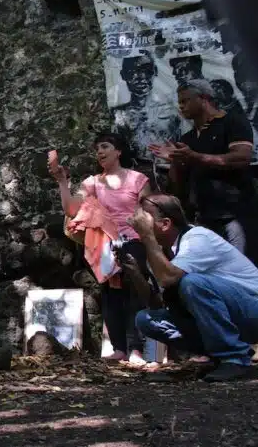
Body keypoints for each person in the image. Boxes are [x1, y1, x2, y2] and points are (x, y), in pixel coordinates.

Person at [130, 194, 258, 381]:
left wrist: (147, 236)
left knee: (193, 282)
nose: (137, 223)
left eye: (144, 218)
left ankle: (234, 359)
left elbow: (168, 278)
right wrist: (134, 273)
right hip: (234, 317)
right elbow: (157, 304)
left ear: (165, 223)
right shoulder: (159, 253)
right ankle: (219, 358)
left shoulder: (198, 238)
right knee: (146, 319)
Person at [49, 133, 154, 366]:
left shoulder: (138, 179)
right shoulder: (92, 182)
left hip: (132, 240)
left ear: (118, 151)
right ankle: (119, 349)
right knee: (111, 295)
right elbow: (71, 209)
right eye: (97, 149)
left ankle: (136, 349)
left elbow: (147, 212)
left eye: (105, 147)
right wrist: (62, 181)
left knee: (135, 292)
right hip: (104, 245)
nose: (99, 152)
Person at [149, 79, 258, 275]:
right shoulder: (187, 139)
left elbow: (241, 159)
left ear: (204, 99)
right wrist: (175, 161)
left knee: (243, 273)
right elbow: (178, 188)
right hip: (204, 219)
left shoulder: (232, 122)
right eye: (179, 102)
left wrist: (194, 157)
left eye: (186, 101)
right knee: (216, 276)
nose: (181, 106)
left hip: (236, 216)